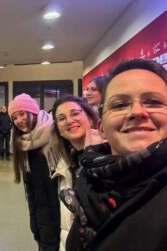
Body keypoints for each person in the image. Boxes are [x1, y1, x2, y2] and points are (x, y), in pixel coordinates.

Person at [66, 59, 167, 251]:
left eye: (153, 102)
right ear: (101, 127)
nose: (137, 112)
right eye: (120, 105)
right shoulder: (90, 182)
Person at [9, 94, 60, 251]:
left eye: (22, 114)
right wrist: (34, 221)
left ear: (33, 112)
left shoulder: (54, 133)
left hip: (59, 205)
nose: (19, 121)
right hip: (39, 208)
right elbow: (29, 185)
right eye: (15, 117)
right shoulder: (22, 142)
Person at [49, 96, 99, 250]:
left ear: (90, 118)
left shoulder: (112, 158)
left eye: (75, 114)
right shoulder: (64, 165)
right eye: (61, 118)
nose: (69, 121)